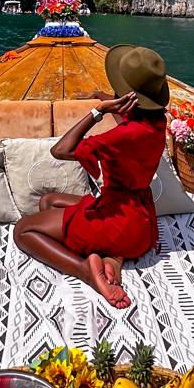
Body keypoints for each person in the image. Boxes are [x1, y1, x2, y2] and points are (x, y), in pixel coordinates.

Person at [13, 45, 169, 308]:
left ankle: (84, 269)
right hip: (141, 224)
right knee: (48, 201)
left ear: (130, 96)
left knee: (23, 230)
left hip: (119, 222)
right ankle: (112, 257)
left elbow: (60, 150)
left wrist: (99, 111)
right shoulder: (157, 123)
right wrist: (106, 98)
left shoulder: (123, 136)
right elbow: (130, 122)